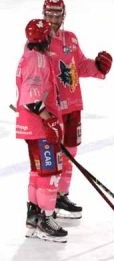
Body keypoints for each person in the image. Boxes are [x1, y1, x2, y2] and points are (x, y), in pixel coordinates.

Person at [41, 0, 112, 220]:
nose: (53, 19)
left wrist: (98, 66)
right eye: (50, 14)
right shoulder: (38, 40)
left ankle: (62, 195)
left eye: (57, 15)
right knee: (53, 156)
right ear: (44, 14)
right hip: (53, 108)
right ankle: (46, 203)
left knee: (70, 152)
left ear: (64, 16)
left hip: (73, 105)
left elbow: (79, 65)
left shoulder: (70, 39)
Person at [16, 19, 67, 242]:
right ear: (43, 39)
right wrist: (50, 120)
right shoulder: (36, 60)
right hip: (40, 129)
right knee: (49, 174)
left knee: (37, 173)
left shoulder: (30, 54)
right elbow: (31, 98)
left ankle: (33, 219)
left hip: (31, 128)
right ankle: (46, 219)